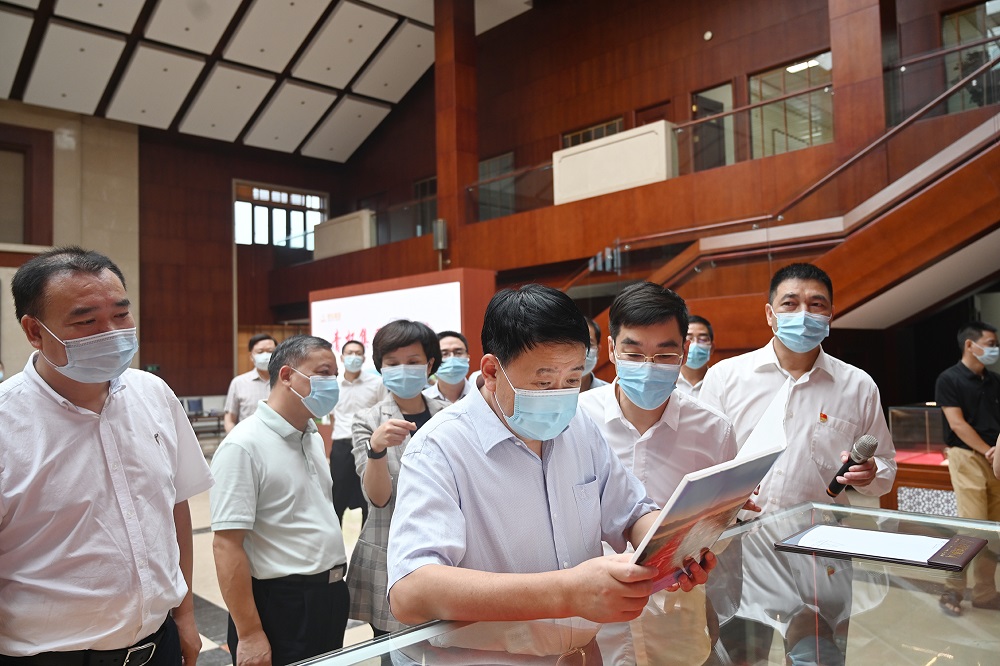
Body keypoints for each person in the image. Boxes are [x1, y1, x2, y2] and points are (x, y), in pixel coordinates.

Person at [386, 284, 714, 630]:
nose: (559, 396)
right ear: (492, 372)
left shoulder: (578, 425)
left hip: (583, 651)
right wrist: (566, 593)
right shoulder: (439, 449)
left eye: (572, 379)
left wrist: (675, 549)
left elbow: (632, 512)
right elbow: (410, 592)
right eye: (543, 383)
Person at [0, 246, 214, 665]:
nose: (111, 332)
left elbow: (174, 505)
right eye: (86, 321)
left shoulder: (153, 394)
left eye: (121, 314)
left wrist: (186, 614)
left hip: (158, 645)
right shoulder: (8, 420)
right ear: (35, 331)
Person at [579, 283, 740, 665]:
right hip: (590, 624)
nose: (648, 366)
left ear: (683, 351)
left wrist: (721, 522)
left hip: (676, 619)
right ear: (611, 350)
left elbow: (719, 535)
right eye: (634, 353)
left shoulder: (713, 431)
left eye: (665, 354)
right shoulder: (575, 420)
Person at [700, 262, 896, 513]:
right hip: (737, 529)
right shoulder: (725, 377)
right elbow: (700, 461)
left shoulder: (859, 386)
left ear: (831, 315)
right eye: (790, 304)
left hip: (820, 530)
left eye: (816, 305)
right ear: (770, 314)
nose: (803, 315)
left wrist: (871, 472)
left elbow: (885, 470)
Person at [211, 335, 350, 666]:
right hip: (282, 603)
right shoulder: (243, 445)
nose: (332, 383)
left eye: (335, 375)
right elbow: (226, 545)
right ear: (287, 375)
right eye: (323, 373)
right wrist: (249, 633)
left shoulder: (310, 436)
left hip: (328, 596)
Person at [349, 320, 448, 637]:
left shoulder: (449, 414)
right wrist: (376, 449)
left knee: (448, 644)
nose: (402, 369)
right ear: (381, 368)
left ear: (429, 365)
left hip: (447, 547)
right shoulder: (368, 421)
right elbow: (378, 499)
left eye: (413, 361)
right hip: (390, 552)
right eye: (392, 363)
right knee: (393, 648)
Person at [935, 321, 1000, 615]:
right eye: (990, 343)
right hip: (968, 456)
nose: (995, 349)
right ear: (970, 345)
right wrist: (988, 450)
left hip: (996, 457)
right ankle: (952, 589)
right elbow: (957, 424)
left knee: (993, 530)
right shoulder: (949, 379)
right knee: (971, 528)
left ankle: (985, 592)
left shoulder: (995, 380)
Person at [330, 339, 386, 525]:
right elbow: (332, 415)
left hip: (368, 444)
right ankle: (335, 539)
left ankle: (365, 539)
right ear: (342, 357)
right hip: (342, 445)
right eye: (349, 353)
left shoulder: (377, 383)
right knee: (338, 495)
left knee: (367, 496)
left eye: (358, 353)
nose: (353, 357)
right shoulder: (333, 385)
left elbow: (383, 411)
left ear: (363, 358)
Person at [223, 333, 277, 433]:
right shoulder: (239, 383)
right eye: (260, 352)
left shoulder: (286, 381)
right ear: (251, 356)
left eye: (270, 351)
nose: (265, 356)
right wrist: (235, 439)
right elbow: (229, 419)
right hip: (248, 439)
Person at [423, 330, 473, 403]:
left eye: (458, 352)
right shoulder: (423, 401)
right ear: (433, 361)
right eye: (444, 354)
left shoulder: (481, 397)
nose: (452, 358)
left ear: (468, 357)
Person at [676, 315, 714, 399]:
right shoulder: (667, 383)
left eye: (703, 339)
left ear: (712, 348)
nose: (695, 344)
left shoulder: (719, 382)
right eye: (688, 339)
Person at [580, 317, 609, 392]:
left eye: (589, 344)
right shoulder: (551, 392)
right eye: (574, 344)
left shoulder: (611, 395)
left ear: (598, 350)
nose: (580, 351)